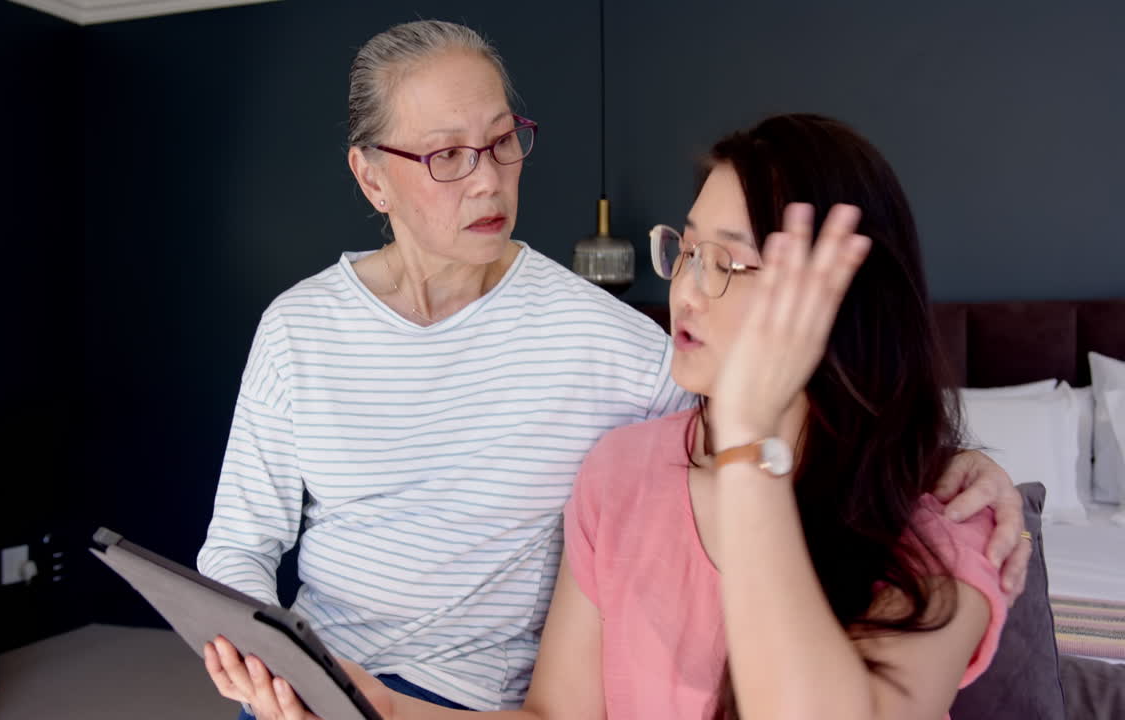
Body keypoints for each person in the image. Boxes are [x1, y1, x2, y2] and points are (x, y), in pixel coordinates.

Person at [199, 21, 1030, 716]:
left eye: (501, 142)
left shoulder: (615, 346)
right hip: (319, 673)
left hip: (466, 697)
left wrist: (954, 460)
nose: (487, 178)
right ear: (371, 176)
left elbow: (791, 421)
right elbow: (239, 543)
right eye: (447, 155)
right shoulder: (298, 329)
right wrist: (272, 660)